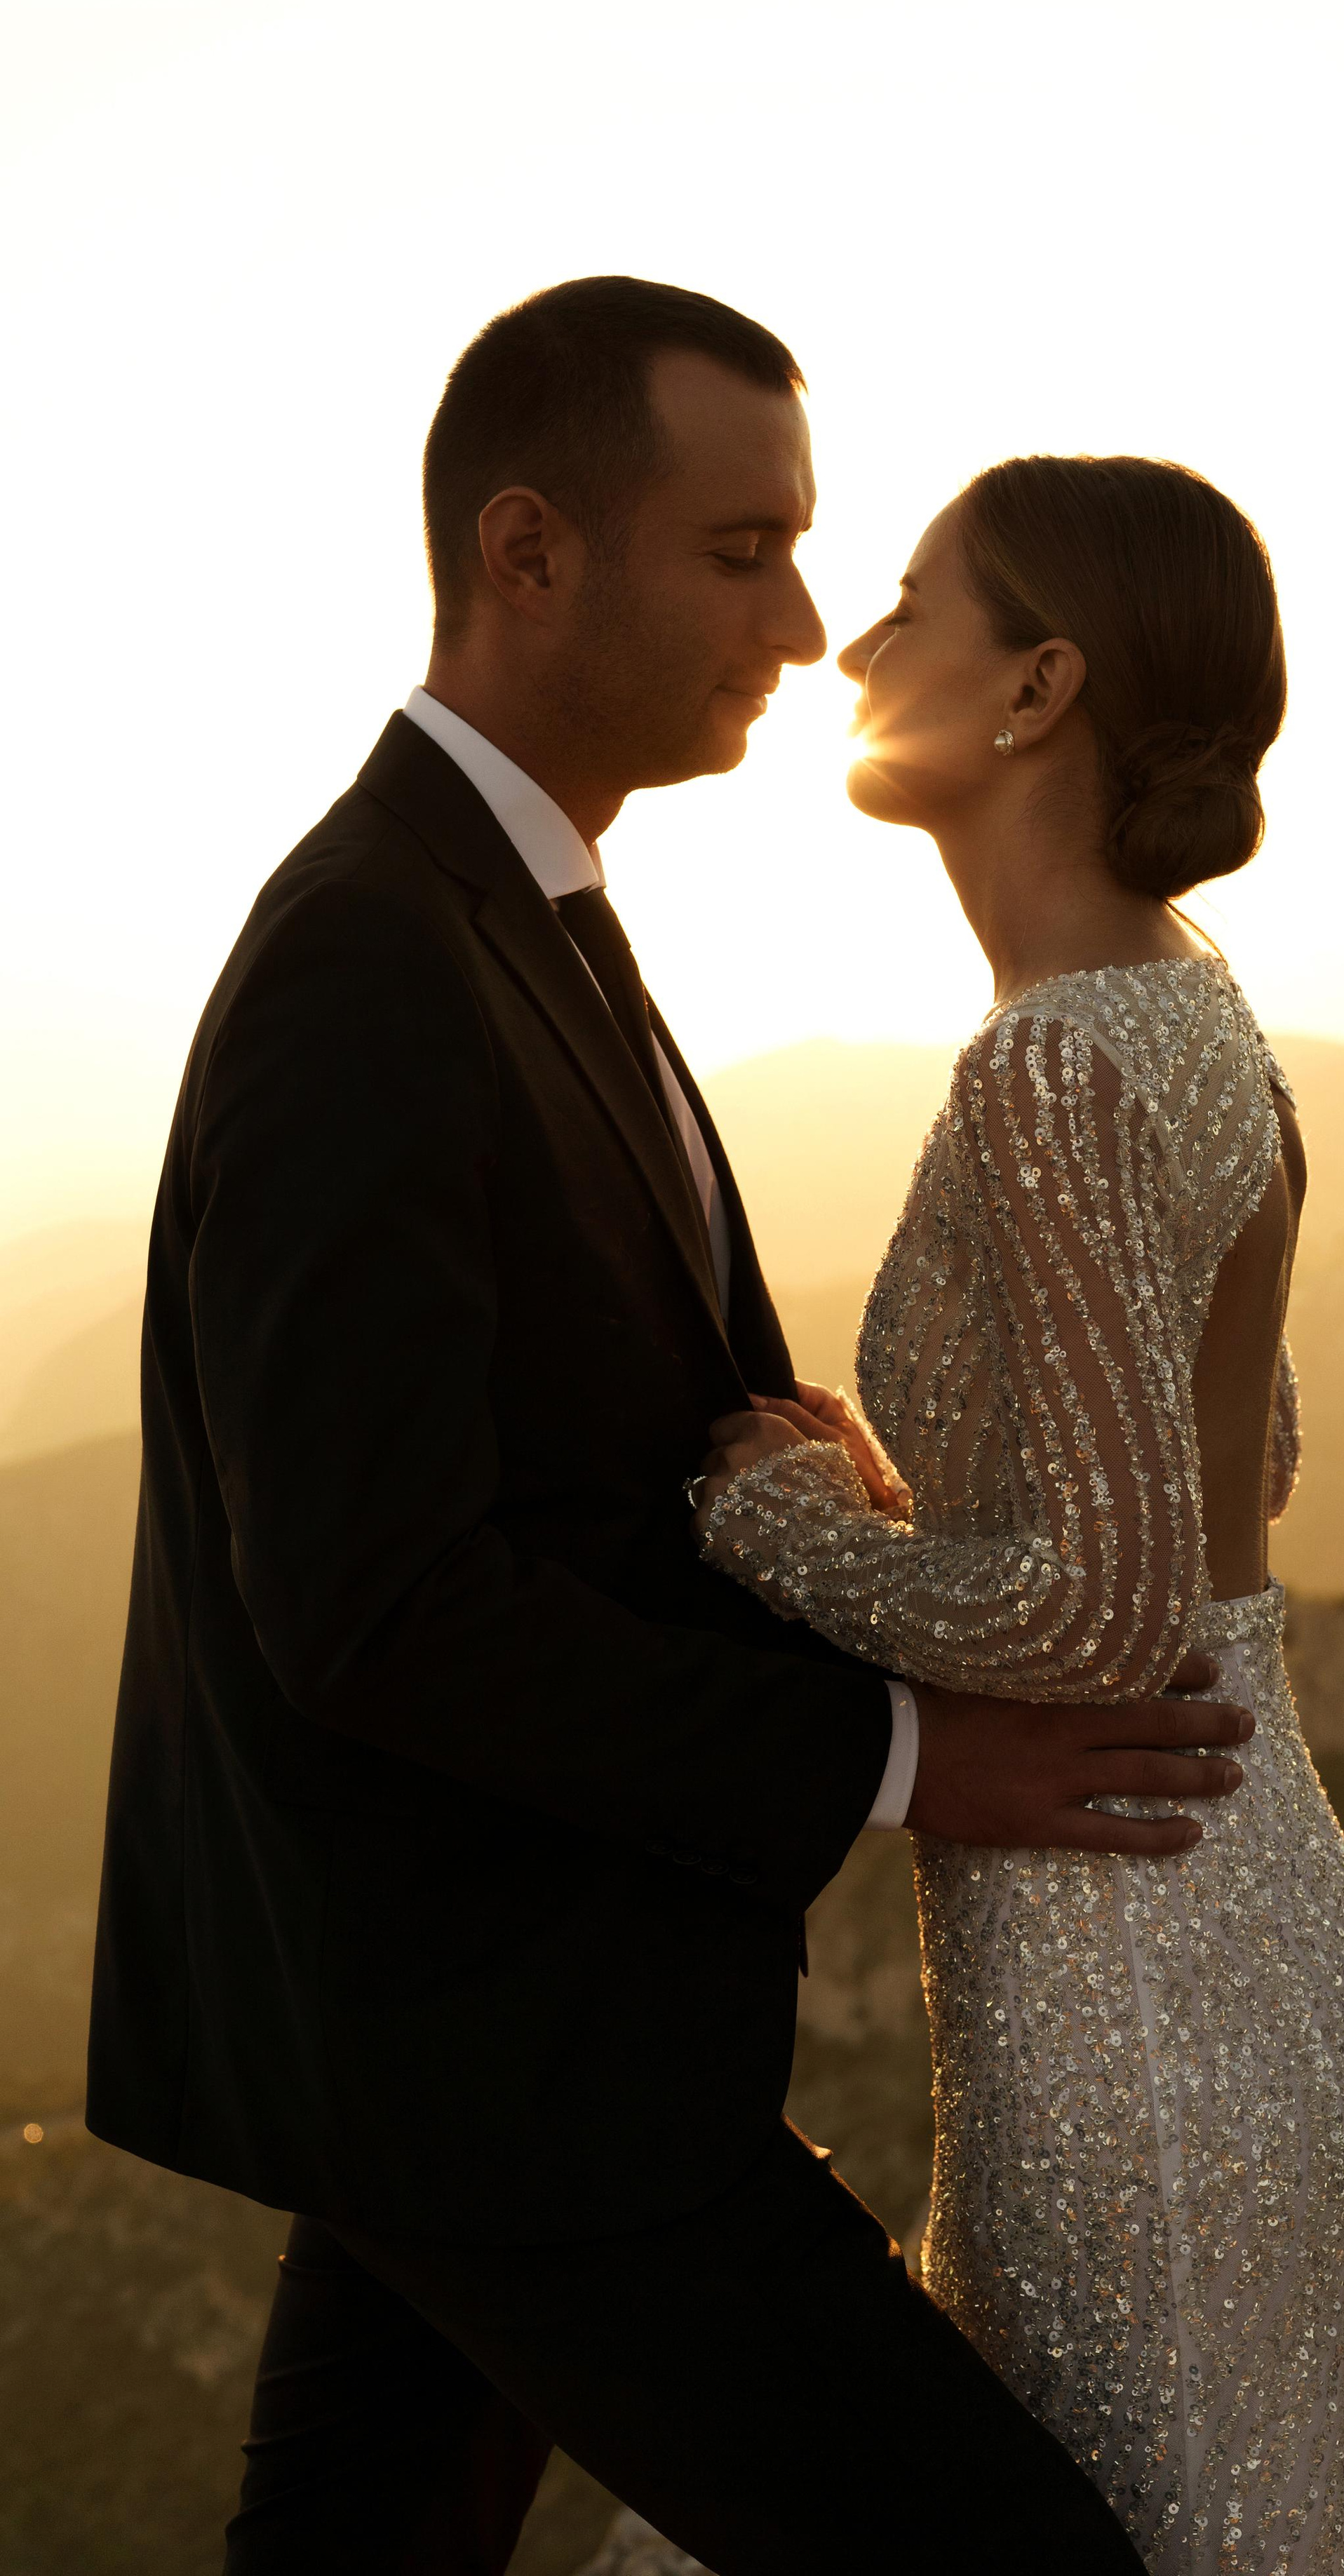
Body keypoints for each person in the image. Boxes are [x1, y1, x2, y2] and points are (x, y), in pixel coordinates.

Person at [83, 277, 1259, 2575]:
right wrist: (905, 1755)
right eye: (743, 554)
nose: (806, 628)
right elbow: (377, 1605)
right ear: (529, 552)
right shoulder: (370, 955)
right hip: (500, 2063)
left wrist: (855, 1532)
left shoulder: (521, 910)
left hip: (474, 2039)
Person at [694, 455, 1344, 2570]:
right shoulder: (1196, 1006)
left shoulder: (1047, 1065)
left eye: (913, 602)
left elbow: (1107, 1613)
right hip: (1246, 1893)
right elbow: (1235, 1474)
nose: (857, 642)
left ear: (1039, 689)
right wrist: (907, 1493)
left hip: (1125, 1939)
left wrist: (774, 1521)